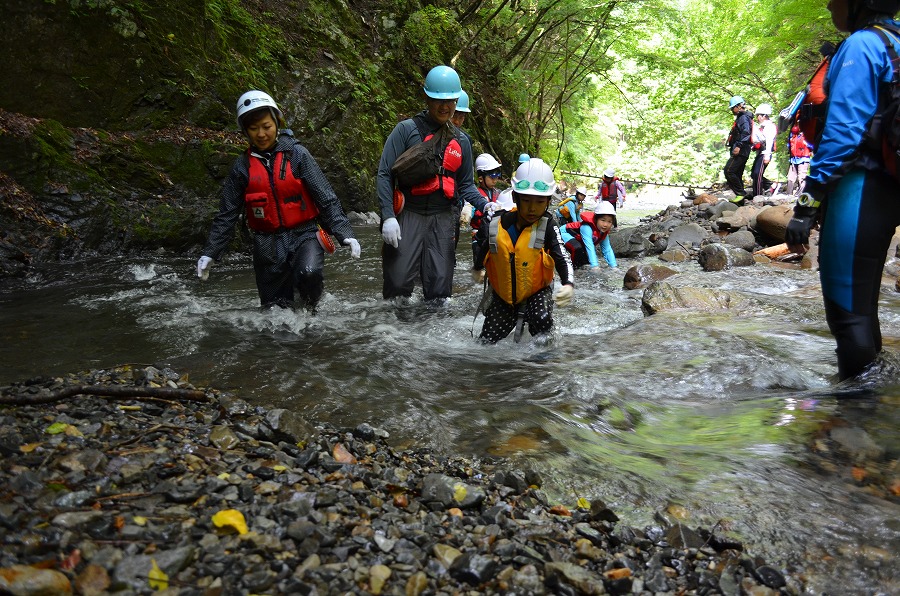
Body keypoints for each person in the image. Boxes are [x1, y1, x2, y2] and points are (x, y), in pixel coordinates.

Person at [785, 0, 900, 380]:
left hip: (862, 186)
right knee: (864, 308)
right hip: (891, 181)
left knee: (850, 313)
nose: (829, 4)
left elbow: (842, 133)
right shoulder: (896, 41)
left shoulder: (862, 45)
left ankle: (854, 422)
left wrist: (806, 205)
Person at [196, 90, 360, 311]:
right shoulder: (242, 167)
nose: (261, 134)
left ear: (276, 122)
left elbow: (326, 198)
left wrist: (345, 234)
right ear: (245, 131)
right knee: (274, 312)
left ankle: (310, 315)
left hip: (305, 234)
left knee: (308, 274)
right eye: (254, 129)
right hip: (266, 245)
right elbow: (227, 215)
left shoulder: (297, 155)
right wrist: (211, 252)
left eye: (266, 126)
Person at [375, 65, 488, 304]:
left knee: (439, 293)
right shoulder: (405, 130)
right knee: (397, 285)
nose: (445, 106)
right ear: (427, 97)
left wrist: (485, 205)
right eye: (438, 100)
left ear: (457, 100)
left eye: (450, 100)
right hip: (409, 214)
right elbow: (385, 173)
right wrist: (388, 217)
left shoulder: (462, 141)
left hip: (443, 217)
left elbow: (466, 185)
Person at [472, 158, 574, 343]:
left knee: (541, 319)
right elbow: (486, 246)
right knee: (486, 340)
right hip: (505, 295)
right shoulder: (498, 223)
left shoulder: (548, 225)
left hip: (537, 290)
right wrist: (478, 268)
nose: (532, 208)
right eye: (526, 200)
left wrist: (568, 283)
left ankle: (542, 361)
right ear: (515, 198)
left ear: (548, 201)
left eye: (539, 202)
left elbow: (562, 255)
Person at [559, 200, 618, 270]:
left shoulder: (603, 233)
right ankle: (573, 269)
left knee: (585, 262)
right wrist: (595, 266)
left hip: (578, 240)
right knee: (577, 248)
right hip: (563, 233)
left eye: (609, 222)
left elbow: (607, 250)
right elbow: (589, 246)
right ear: (596, 219)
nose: (605, 225)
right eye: (603, 220)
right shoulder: (586, 227)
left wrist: (614, 267)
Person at [468, 153, 503, 255]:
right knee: (479, 265)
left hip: (495, 234)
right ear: (480, 178)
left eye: (497, 175)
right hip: (478, 235)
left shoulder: (498, 193)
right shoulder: (474, 196)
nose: (495, 179)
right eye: (492, 176)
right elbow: (469, 211)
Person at [724, 95, 754, 202]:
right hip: (743, 150)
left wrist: (738, 146)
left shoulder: (743, 118)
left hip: (741, 150)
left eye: (733, 107)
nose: (732, 110)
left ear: (739, 106)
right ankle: (742, 198)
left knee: (728, 170)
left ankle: (740, 193)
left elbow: (746, 132)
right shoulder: (743, 117)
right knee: (737, 172)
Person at [749, 103, 778, 198]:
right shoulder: (762, 127)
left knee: (757, 174)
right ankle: (770, 185)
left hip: (765, 152)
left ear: (764, 116)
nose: (758, 118)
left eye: (759, 116)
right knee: (754, 173)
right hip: (760, 152)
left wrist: (767, 156)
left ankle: (757, 195)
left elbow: (769, 141)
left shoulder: (770, 126)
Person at [786, 125, 813, 196]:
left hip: (803, 159)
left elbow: (812, 146)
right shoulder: (792, 136)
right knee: (790, 177)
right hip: (794, 159)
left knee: (802, 177)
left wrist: (806, 144)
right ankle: (789, 193)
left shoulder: (806, 136)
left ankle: (801, 193)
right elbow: (789, 145)